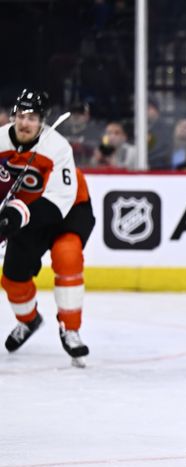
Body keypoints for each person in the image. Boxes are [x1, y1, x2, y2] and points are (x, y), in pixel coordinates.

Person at [0, 89, 95, 367]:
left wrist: (13, 216)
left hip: (69, 208)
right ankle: (29, 321)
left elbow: (58, 201)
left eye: (31, 117)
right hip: (25, 212)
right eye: (20, 115)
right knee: (13, 277)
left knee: (68, 255)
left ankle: (71, 330)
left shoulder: (57, 147)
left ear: (42, 120)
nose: (24, 122)